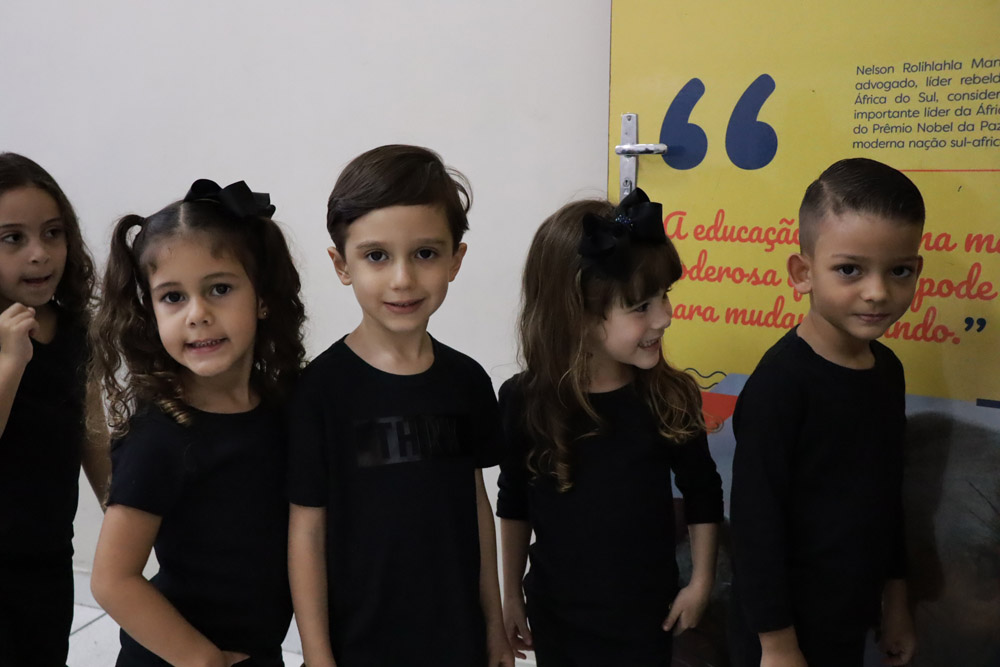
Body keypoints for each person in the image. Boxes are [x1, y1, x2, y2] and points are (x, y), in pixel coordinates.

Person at [287, 144, 513, 667]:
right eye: (377, 256)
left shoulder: (466, 380)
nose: (403, 279)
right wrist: (317, 655)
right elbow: (307, 531)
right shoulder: (319, 392)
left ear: (456, 259)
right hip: (362, 644)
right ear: (341, 264)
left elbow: (476, 505)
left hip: (457, 637)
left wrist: (493, 623)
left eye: (425, 254)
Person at [496, 188, 724, 666]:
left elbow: (703, 492)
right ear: (576, 314)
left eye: (664, 296)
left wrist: (701, 581)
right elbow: (514, 500)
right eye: (641, 306)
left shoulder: (670, 397)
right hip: (557, 616)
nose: (665, 317)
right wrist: (510, 593)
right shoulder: (524, 400)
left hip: (647, 616)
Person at [90, 179, 305, 666]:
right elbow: (112, 579)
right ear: (150, 312)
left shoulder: (283, 407)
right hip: (182, 657)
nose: (198, 314)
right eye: (173, 297)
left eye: (220, 289)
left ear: (263, 297)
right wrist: (202, 659)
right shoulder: (160, 435)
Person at [728, 158, 922, 667]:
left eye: (899, 270)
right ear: (803, 273)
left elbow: (887, 497)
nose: (877, 292)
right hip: (780, 636)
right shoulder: (780, 385)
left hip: (849, 620)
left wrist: (896, 602)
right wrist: (777, 643)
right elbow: (754, 527)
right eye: (850, 270)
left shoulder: (888, 371)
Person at [0, 152, 109, 667]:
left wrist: (123, 510)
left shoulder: (73, 330)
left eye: (53, 233)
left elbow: (92, 432)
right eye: (12, 238)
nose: (39, 254)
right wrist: (10, 362)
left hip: (47, 552)